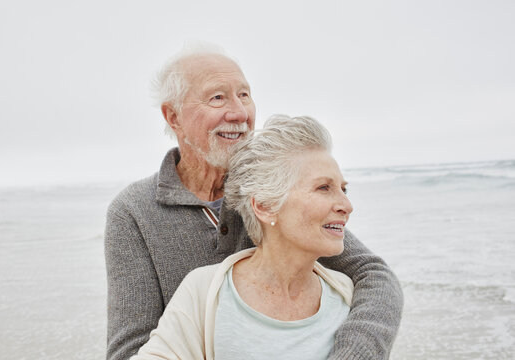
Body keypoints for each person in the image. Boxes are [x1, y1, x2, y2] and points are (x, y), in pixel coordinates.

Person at [105, 44, 403, 360]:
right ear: (173, 116)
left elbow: (373, 275)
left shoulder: (273, 191)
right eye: (217, 97)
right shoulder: (133, 211)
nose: (239, 113)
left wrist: (352, 353)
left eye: (244, 95)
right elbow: (129, 350)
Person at [131, 114, 357, 360]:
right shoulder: (204, 291)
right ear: (264, 206)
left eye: (343, 189)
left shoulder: (347, 295)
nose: (347, 205)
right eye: (324, 187)